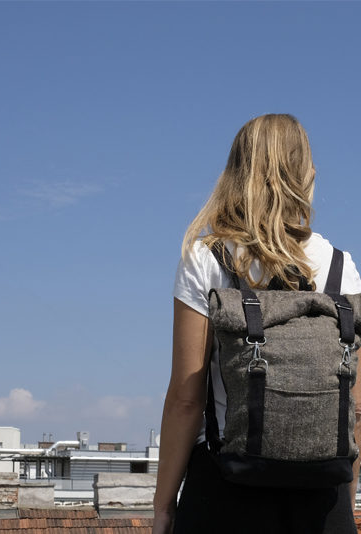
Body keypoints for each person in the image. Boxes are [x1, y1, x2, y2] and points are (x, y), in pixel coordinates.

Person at [152, 114, 361, 534]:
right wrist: (345, 495)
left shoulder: (207, 259)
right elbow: (355, 406)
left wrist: (163, 507)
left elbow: (186, 400)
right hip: (323, 496)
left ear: (235, 173)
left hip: (225, 486)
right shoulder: (342, 268)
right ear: (307, 175)